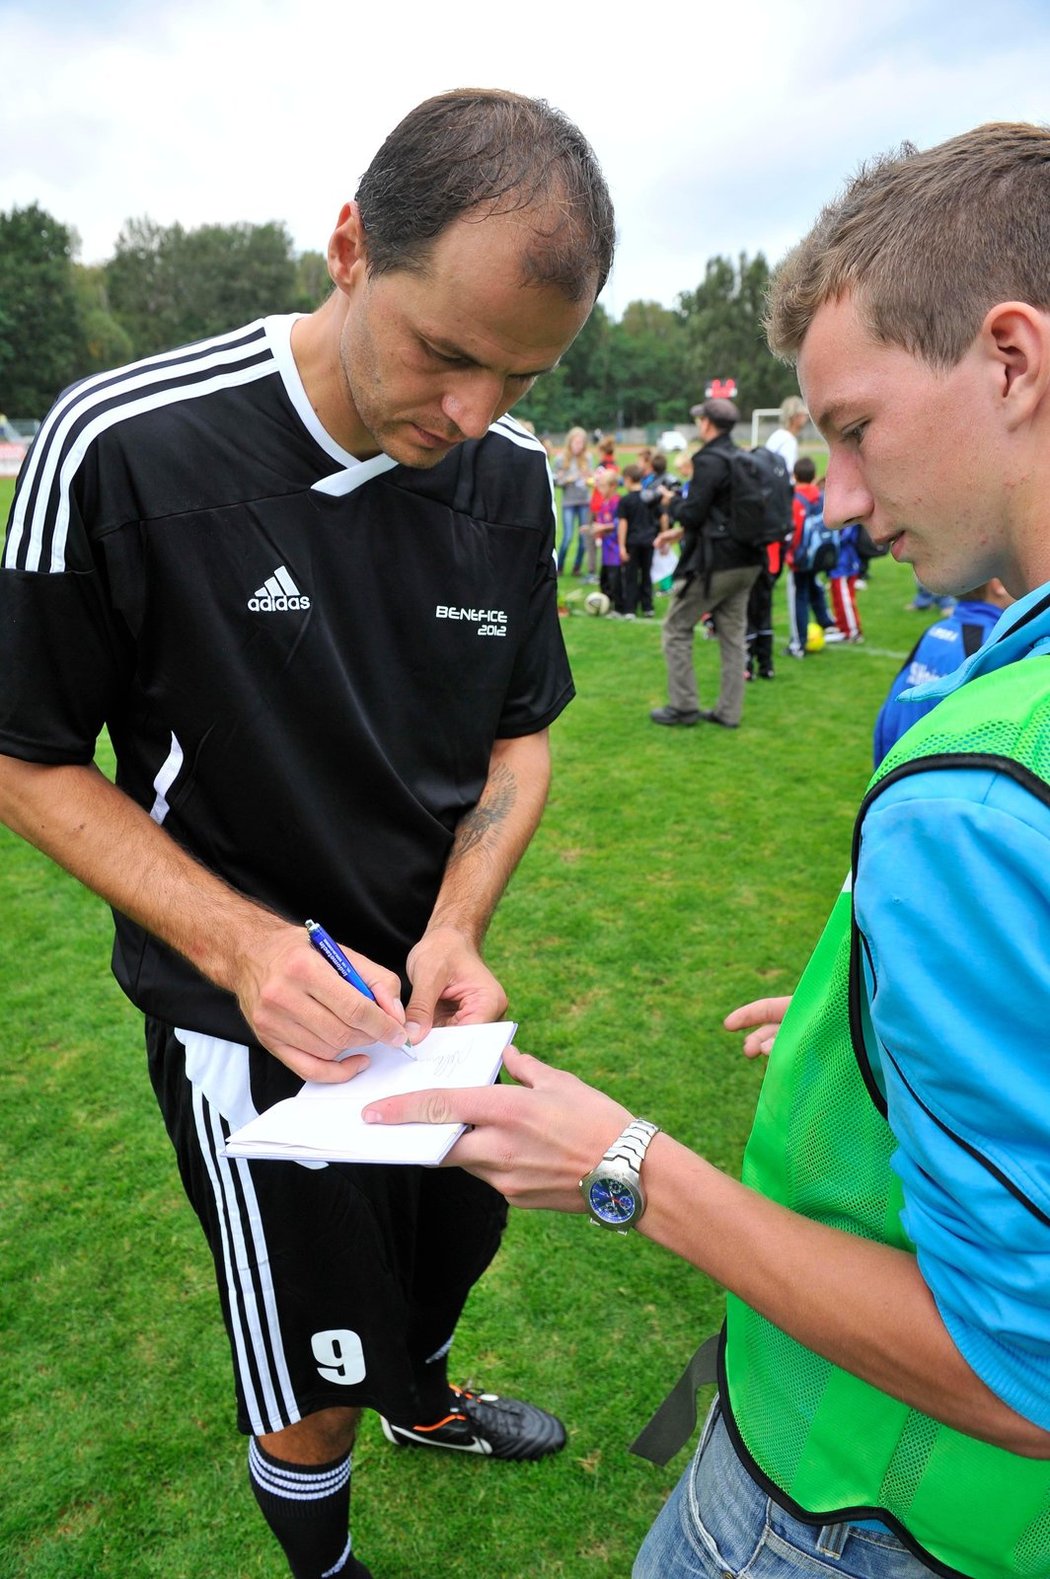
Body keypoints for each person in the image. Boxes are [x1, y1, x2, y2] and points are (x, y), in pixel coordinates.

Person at [365, 122, 1050, 1579]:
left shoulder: (975, 795)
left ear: (1010, 358)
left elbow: (1026, 1371)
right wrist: (847, 1015)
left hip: (863, 1498)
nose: (844, 500)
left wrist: (626, 1163)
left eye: (854, 428)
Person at [0, 88, 615, 1579]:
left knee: (437, 1264)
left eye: (518, 371)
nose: (469, 413)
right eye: (446, 353)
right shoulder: (126, 444)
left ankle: (427, 1401)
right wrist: (245, 942)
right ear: (348, 247)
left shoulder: (512, 477)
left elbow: (516, 741)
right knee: (307, 1366)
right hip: (241, 1023)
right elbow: (25, 752)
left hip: (428, 1015)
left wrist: (459, 920)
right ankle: (325, 1552)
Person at [649, 398, 762, 728]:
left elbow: (695, 513)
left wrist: (673, 505)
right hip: (747, 561)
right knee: (732, 637)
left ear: (707, 425)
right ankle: (729, 712)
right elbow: (720, 513)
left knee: (676, 628)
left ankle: (684, 706)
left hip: (715, 564)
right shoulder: (742, 457)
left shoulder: (709, 460)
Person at [873, 579, 1012, 765]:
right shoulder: (995, 647)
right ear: (998, 585)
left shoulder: (935, 631)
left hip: (904, 774)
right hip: (951, 779)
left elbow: (890, 716)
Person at [785, 456, 842, 657]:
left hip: (801, 557)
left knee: (797, 596)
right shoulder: (819, 495)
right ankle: (827, 623)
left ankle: (797, 644)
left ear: (795, 475)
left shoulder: (795, 499)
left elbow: (793, 530)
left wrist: (790, 556)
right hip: (819, 554)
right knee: (814, 585)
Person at [618, 462, 657, 618]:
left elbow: (623, 523)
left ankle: (630, 609)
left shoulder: (626, 500)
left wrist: (621, 546)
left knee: (631, 575)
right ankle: (648, 607)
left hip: (632, 542)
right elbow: (663, 516)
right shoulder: (650, 497)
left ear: (627, 479)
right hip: (649, 542)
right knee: (647, 574)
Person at [554, 424, 594, 574]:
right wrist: (567, 479)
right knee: (568, 536)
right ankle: (559, 566)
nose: (579, 445)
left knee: (584, 538)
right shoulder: (561, 459)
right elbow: (555, 481)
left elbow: (592, 479)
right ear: (569, 442)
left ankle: (577, 567)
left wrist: (589, 478)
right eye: (576, 442)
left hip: (584, 501)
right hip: (569, 502)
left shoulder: (588, 458)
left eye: (581, 443)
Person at [764, 393, 809, 475]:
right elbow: (787, 474)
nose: (806, 417)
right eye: (803, 414)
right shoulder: (788, 440)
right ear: (795, 417)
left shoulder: (778, 435)